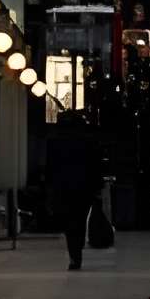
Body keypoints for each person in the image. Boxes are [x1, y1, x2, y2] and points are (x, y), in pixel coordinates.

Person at [45, 110, 104, 270]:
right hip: (84, 187)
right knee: (79, 219)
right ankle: (76, 251)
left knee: (68, 221)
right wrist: (97, 187)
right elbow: (96, 166)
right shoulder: (88, 141)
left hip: (63, 186)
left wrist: (50, 187)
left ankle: (74, 254)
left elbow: (50, 167)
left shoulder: (55, 141)